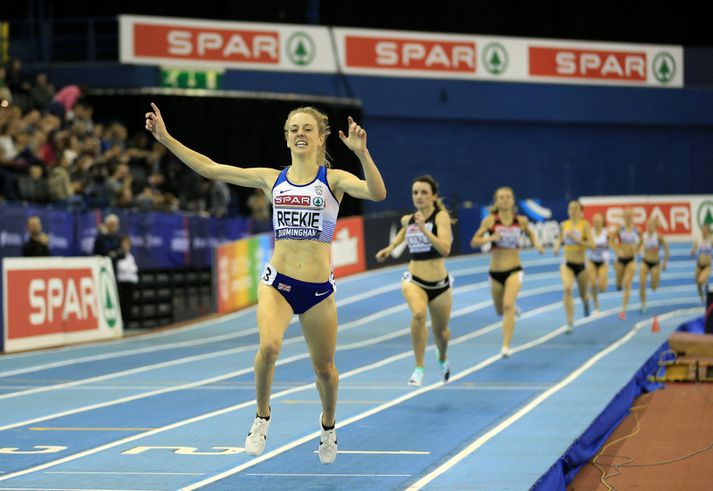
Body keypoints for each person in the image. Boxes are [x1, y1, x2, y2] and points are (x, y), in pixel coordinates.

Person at [145, 102, 386, 464]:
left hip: (318, 291)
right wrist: (165, 139)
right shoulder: (272, 178)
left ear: (320, 138)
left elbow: (377, 193)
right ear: (287, 138)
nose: (300, 134)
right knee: (269, 348)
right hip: (278, 283)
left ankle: (328, 426)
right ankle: (261, 417)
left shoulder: (333, 181)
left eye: (307, 129)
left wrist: (363, 153)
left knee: (325, 370)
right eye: (294, 129)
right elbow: (210, 168)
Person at [375, 175, 453, 387]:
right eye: (415, 193)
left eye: (424, 192)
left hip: (439, 284)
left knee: (442, 333)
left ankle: (442, 357)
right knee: (418, 315)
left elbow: (445, 249)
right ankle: (419, 368)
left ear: (434, 196)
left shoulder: (441, 218)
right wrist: (390, 249)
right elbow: (403, 232)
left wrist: (424, 229)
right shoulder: (408, 219)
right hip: (414, 279)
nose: (419, 196)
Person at [470, 187, 544, 357]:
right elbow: (474, 241)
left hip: (514, 269)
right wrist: (490, 238)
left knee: (508, 305)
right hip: (495, 272)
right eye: (501, 197)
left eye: (508, 197)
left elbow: (531, 235)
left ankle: (505, 347)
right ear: (496, 201)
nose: (504, 200)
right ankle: (512, 307)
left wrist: (537, 244)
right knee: (499, 310)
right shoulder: (490, 221)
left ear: (513, 200)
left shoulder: (521, 220)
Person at [553, 200, 594, 332]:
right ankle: (570, 322)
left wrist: (578, 240)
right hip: (567, 264)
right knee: (567, 289)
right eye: (570, 208)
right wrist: (556, 246)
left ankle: (586, 301)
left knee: (583, 294)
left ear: (580, 211)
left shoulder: (585, 225)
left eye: (575, 208)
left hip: (581, 265)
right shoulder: (564, 225)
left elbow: (592, 245)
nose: (573, 211)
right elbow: (559, 239)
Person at [612, 208, 640, 320]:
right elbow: (611, 241)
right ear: (623, 217)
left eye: (630, 216)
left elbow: (642, 242)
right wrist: (617, 250)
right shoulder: (620, 229)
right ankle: (618, 285)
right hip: (620, 260)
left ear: (632, 217)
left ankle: (623, 310)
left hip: (631, 260)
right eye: (626, 216)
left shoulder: (636, 230)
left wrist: (637, 249)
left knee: (627, 283)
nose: (628, 217)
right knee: (619, 284)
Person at [639, 218, 669, 314]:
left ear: (654, 227)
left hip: (655, 263)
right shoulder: (643, 236)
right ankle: (643, 304)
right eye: (648, 226)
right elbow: (637, 246)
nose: (649, 228)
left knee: (653, 287)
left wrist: (665, 261)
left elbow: (666, 249)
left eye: (651, 226)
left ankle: (656, 280)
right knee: (642, 283)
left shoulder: (659, 237)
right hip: (645, 262)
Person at [587, 213, 610, 314]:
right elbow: (584, 244)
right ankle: (596, 307)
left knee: (602, 287)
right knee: (592, 284)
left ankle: (597, 287)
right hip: (592, 260)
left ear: (602, 222)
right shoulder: (590, 233)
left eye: (598, 221)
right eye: (595, 221)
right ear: (593, 222)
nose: (596, 223)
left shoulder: (607, 233)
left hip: (603, 262)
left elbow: (613, 244)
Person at [115, 235, 139, 327]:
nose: (126, 245)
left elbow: (134, 269)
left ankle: (127, 322)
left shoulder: (130, 256)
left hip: (130, 282)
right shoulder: (119, 255)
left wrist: (130, 268)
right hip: (122, 282)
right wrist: (129, 268)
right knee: (123, 303)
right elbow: (122, 268)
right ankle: (122, 321)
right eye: (124, 243)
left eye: (128, 244)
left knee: (129, 303)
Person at [691, 225, 712, 304]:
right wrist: (693, 251)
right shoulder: (698, 240)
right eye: (702, 231)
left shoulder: (711, 239)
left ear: (708, 231)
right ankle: (702, 296)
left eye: (705, 231)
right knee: (698, 283)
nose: (703, 232)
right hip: (699, 265)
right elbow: (694, 248)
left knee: (701, 281)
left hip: (707, 266)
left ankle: (707, 290)